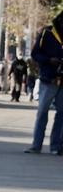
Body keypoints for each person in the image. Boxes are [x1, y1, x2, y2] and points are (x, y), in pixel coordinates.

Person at [25, 11, 63, 154]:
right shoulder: (47, 33)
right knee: (42, 112)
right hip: (48, 79)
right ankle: (36, 145)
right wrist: (49, 60)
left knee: (61, 114)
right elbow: (35, 53)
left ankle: (56, 146)